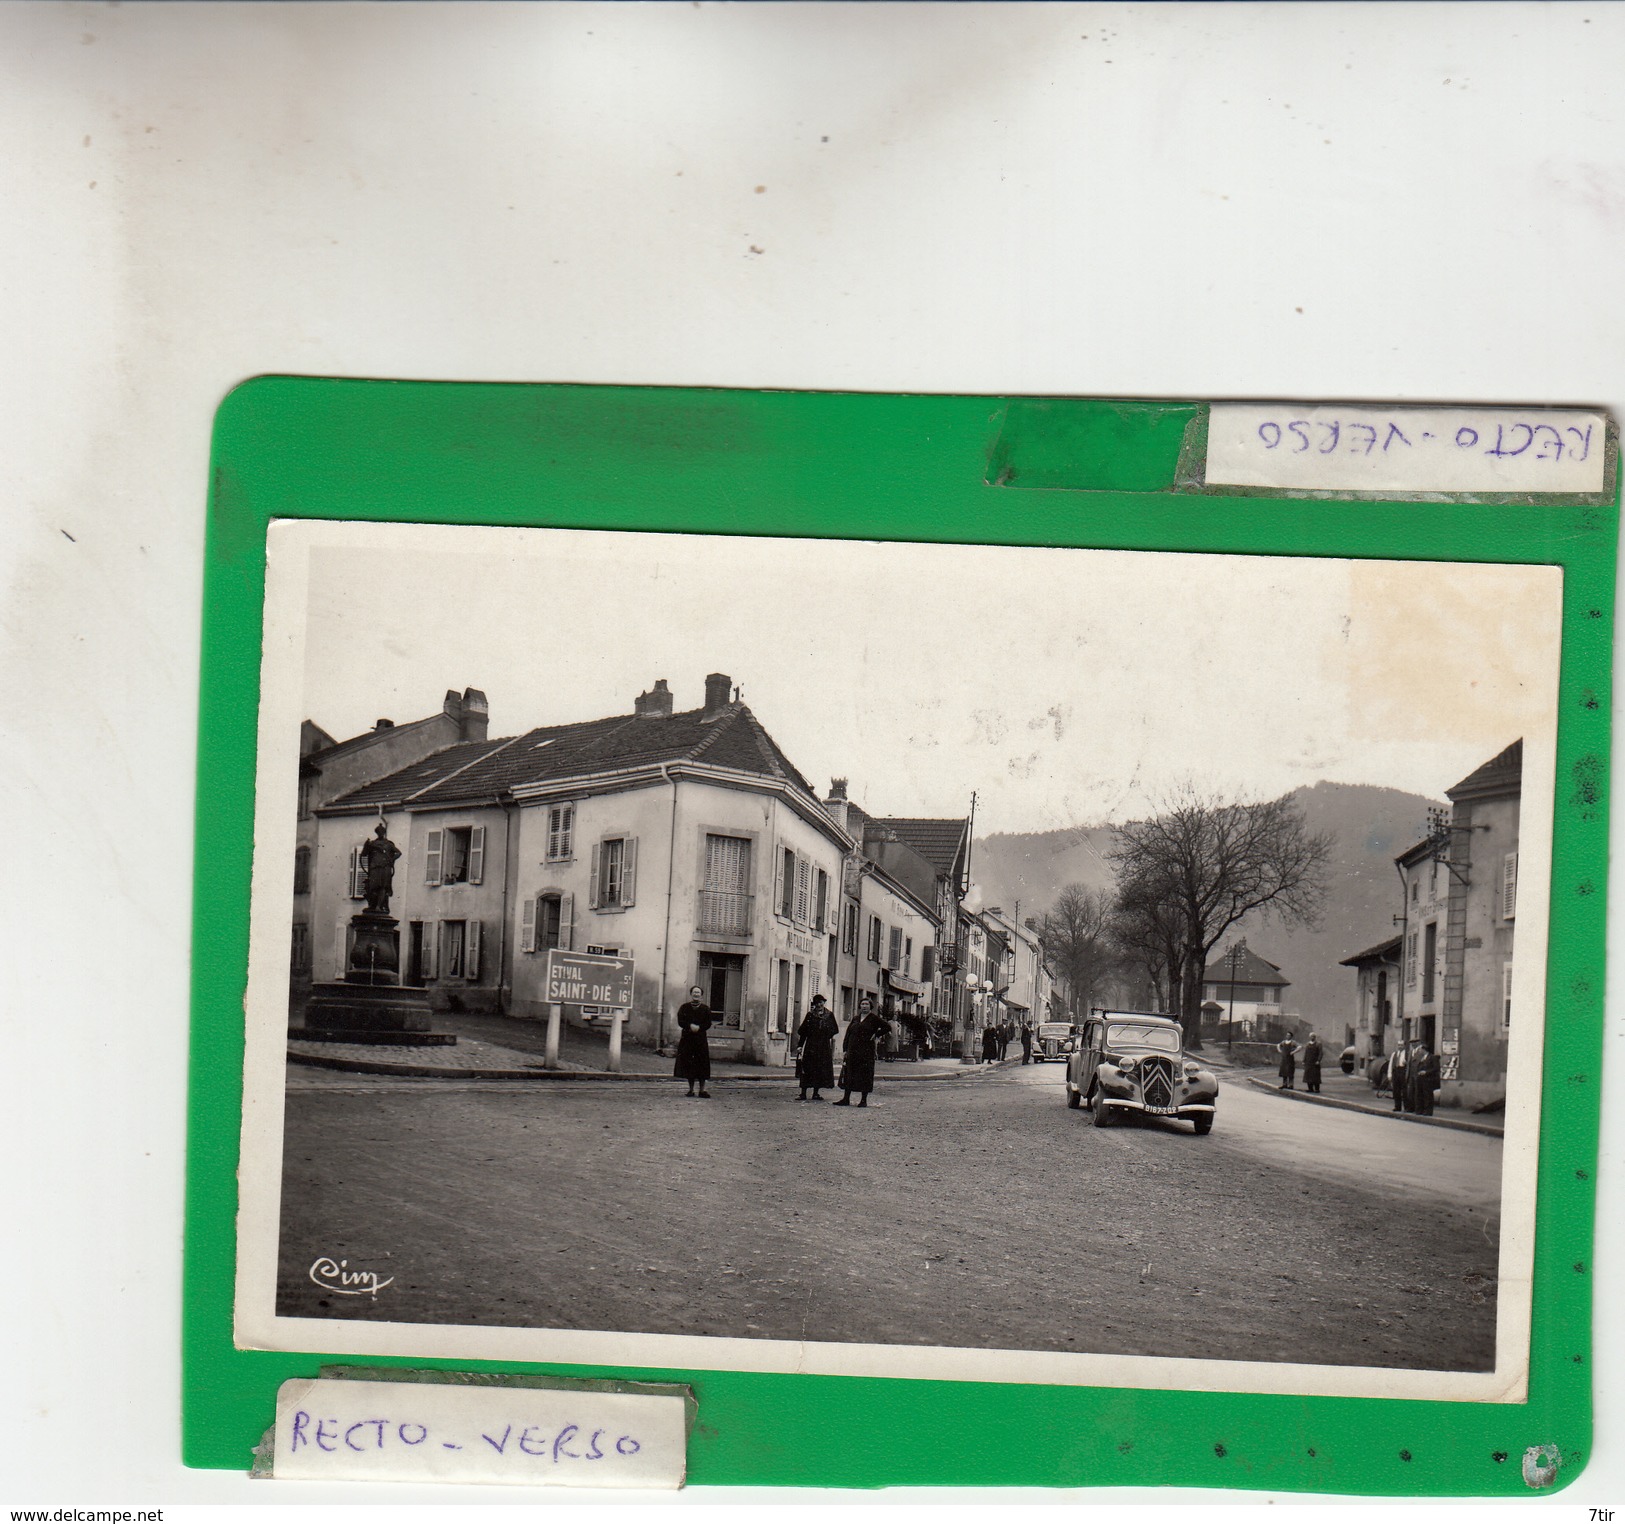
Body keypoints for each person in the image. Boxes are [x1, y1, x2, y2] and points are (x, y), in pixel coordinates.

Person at [835, 996, 889, 1107]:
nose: (864, 1006)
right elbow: (848, 1033)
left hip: (866, 1051)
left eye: (867, 1004)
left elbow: (887, 1027)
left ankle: (863, 1100)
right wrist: (845, 1049)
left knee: (865, 1074)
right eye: (863, 1004)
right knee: (849, 1073)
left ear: (870, 1007)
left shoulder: (874, 1018)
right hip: (852, 1050)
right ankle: (846, 1099)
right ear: (860, 1006)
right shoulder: (855, 1018)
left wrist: (876, 1034)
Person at [795, 994, 838, 1101]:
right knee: (807, 1068)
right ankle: (803, 1093)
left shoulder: (829, 1015)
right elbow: (803, 1032)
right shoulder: (810, 1015)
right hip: (811, 1045)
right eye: (817, 1003)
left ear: (824, 1003)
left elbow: (835, 1029)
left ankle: (816, 1093)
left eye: (821, 1002)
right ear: (814, 1004)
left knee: (819, 1069)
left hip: (823, 1045)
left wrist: (827, 1034)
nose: (819, 1005)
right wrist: (800, 1045)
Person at [673, 985, 713, 1099]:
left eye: (698, 993)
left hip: (700, 1040)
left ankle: (702, 1090)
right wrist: (689, 1026)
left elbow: (708, 1023)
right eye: (694, 992)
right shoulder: (684, 1007)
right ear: (691, 994)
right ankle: (690, 1090)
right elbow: (680, 1021)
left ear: (701, 995)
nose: (696, 994)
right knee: (689, 1063)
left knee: (702, 1063)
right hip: (687, 1039)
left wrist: (699, 1028)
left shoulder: (706, 1009)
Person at [358, 820, 402, 914]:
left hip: (385, 867)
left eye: (382, 832)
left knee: (383, 887)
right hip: (374, 867)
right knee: (373, 886)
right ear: (377, 833)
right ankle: (372, 905)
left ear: (384, 833)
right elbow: (364, 854)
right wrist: (366, 845)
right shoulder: (372, 844)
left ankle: (379, 906)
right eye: (379, 832)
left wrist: (391, 860)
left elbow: (398, 853)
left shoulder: (389, 844)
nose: (380, 834)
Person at [1413, 1043, 1440, 1115]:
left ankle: (1428, 1111)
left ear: (1423, 1049)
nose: (1419, 1051)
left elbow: (1436, 1068)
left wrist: (1426, 1072)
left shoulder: (1432, 1057)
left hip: (1428, 1079)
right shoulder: (1421, 1058)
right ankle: (1419, 1110)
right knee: (1419, 1094)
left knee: (1427, 1095)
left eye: (1420, 1050)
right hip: (1420, 1078)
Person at [1389, 1038, 1410, 1113]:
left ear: (1404, 1046)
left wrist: (1406, 1063)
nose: (1400, 1047)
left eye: (1401, 1045)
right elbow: (1391, 1064)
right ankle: (1397, 1106)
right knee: (1396, 1091)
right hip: (1396, 1072)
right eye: (1399, 1045)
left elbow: (1409, 1065)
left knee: (1404, 1091)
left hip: (1403, 1072)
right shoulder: (1394, 1054)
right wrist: (1390, 1075)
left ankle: (1406, 1107)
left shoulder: (1407, 1054)